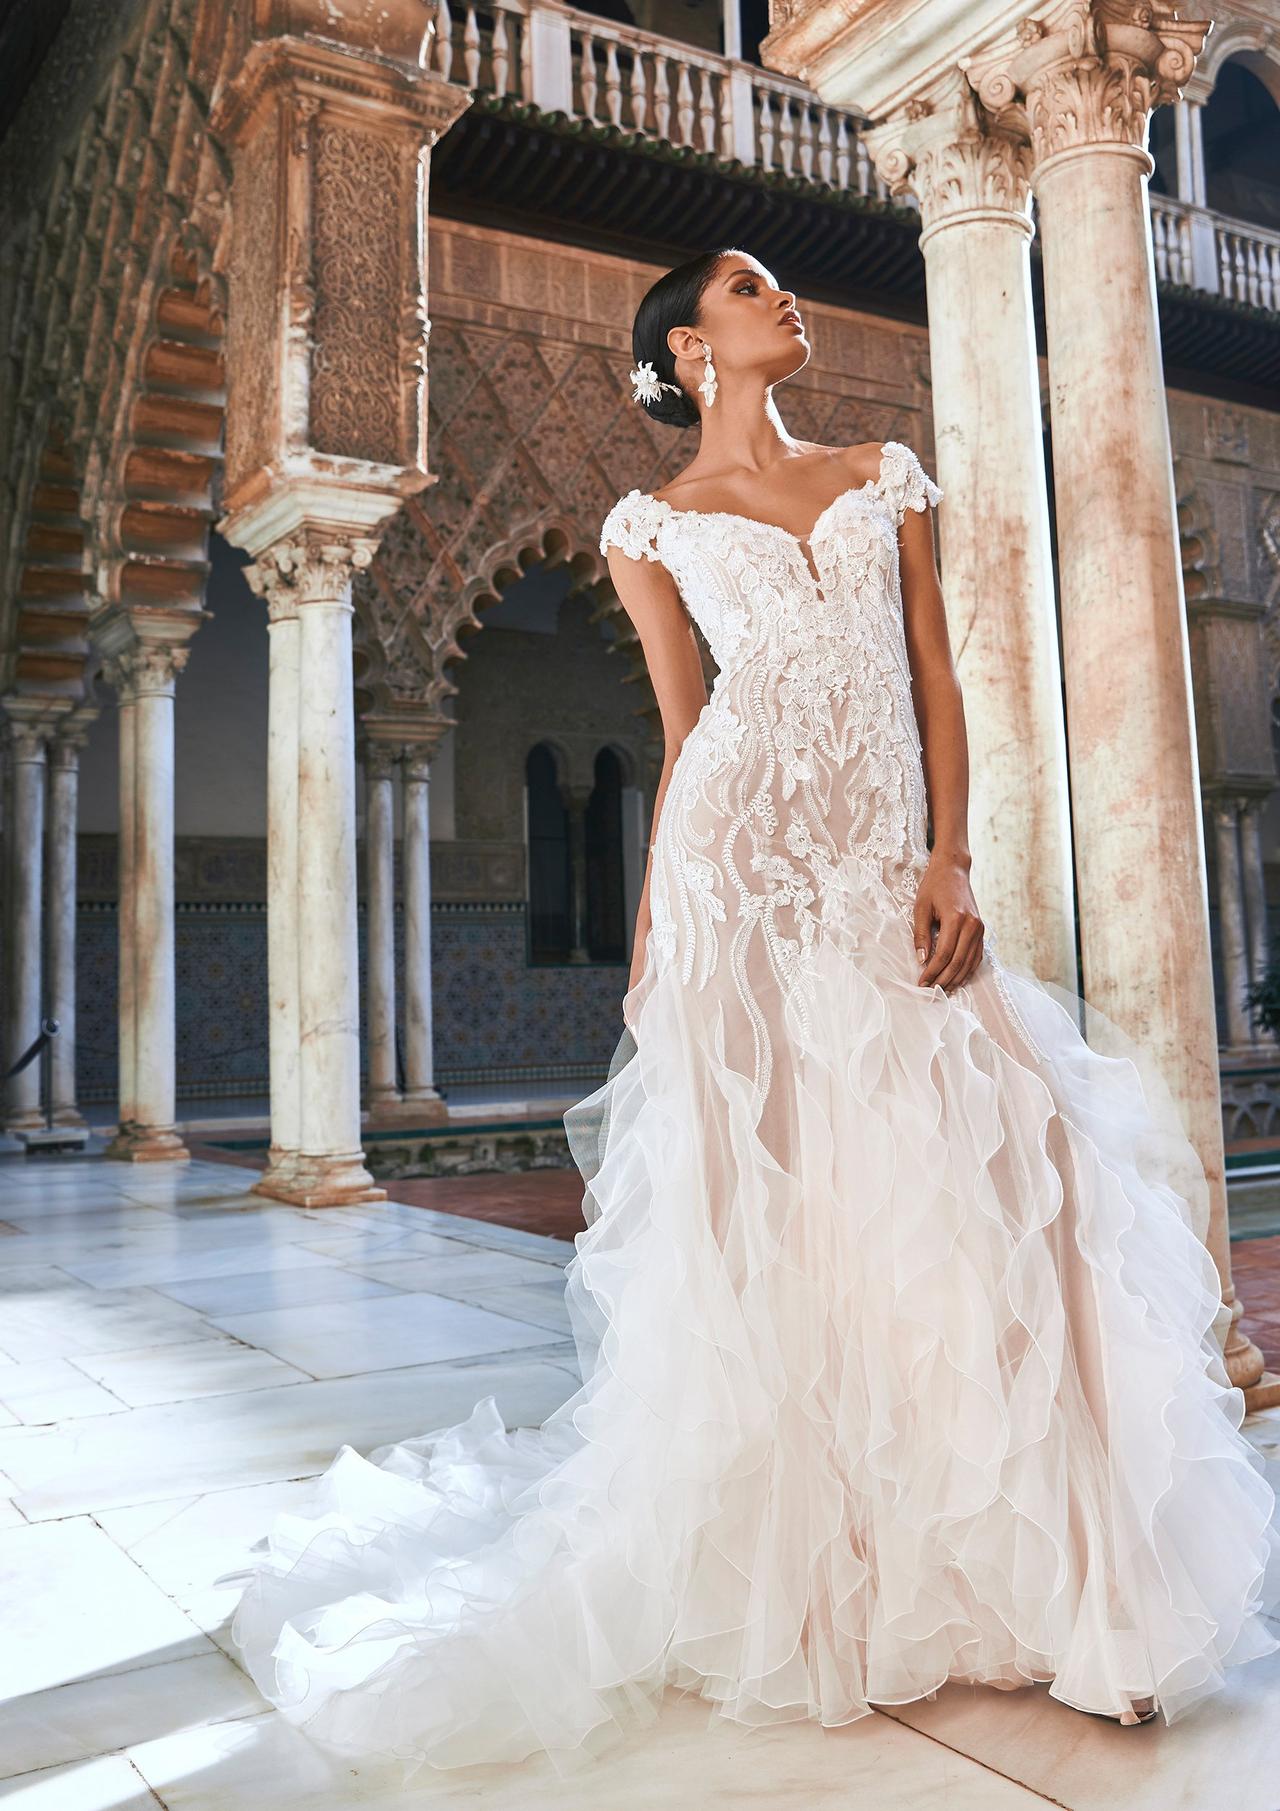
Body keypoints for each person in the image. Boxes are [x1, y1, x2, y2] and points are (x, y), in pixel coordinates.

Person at [227, 246, 1280, 1779]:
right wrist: (665, 920)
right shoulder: (648, 524)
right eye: (746, 288)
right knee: (788, 1222)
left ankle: (1079, 1596)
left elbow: (937, 668)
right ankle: (840, 1583)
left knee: (1015, 1182)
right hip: (741, 878)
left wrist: (948, 853)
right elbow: (683, 726)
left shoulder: (879, 470)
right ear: (684, 346)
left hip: (881, 869)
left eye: (775, 285)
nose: (782, 299)